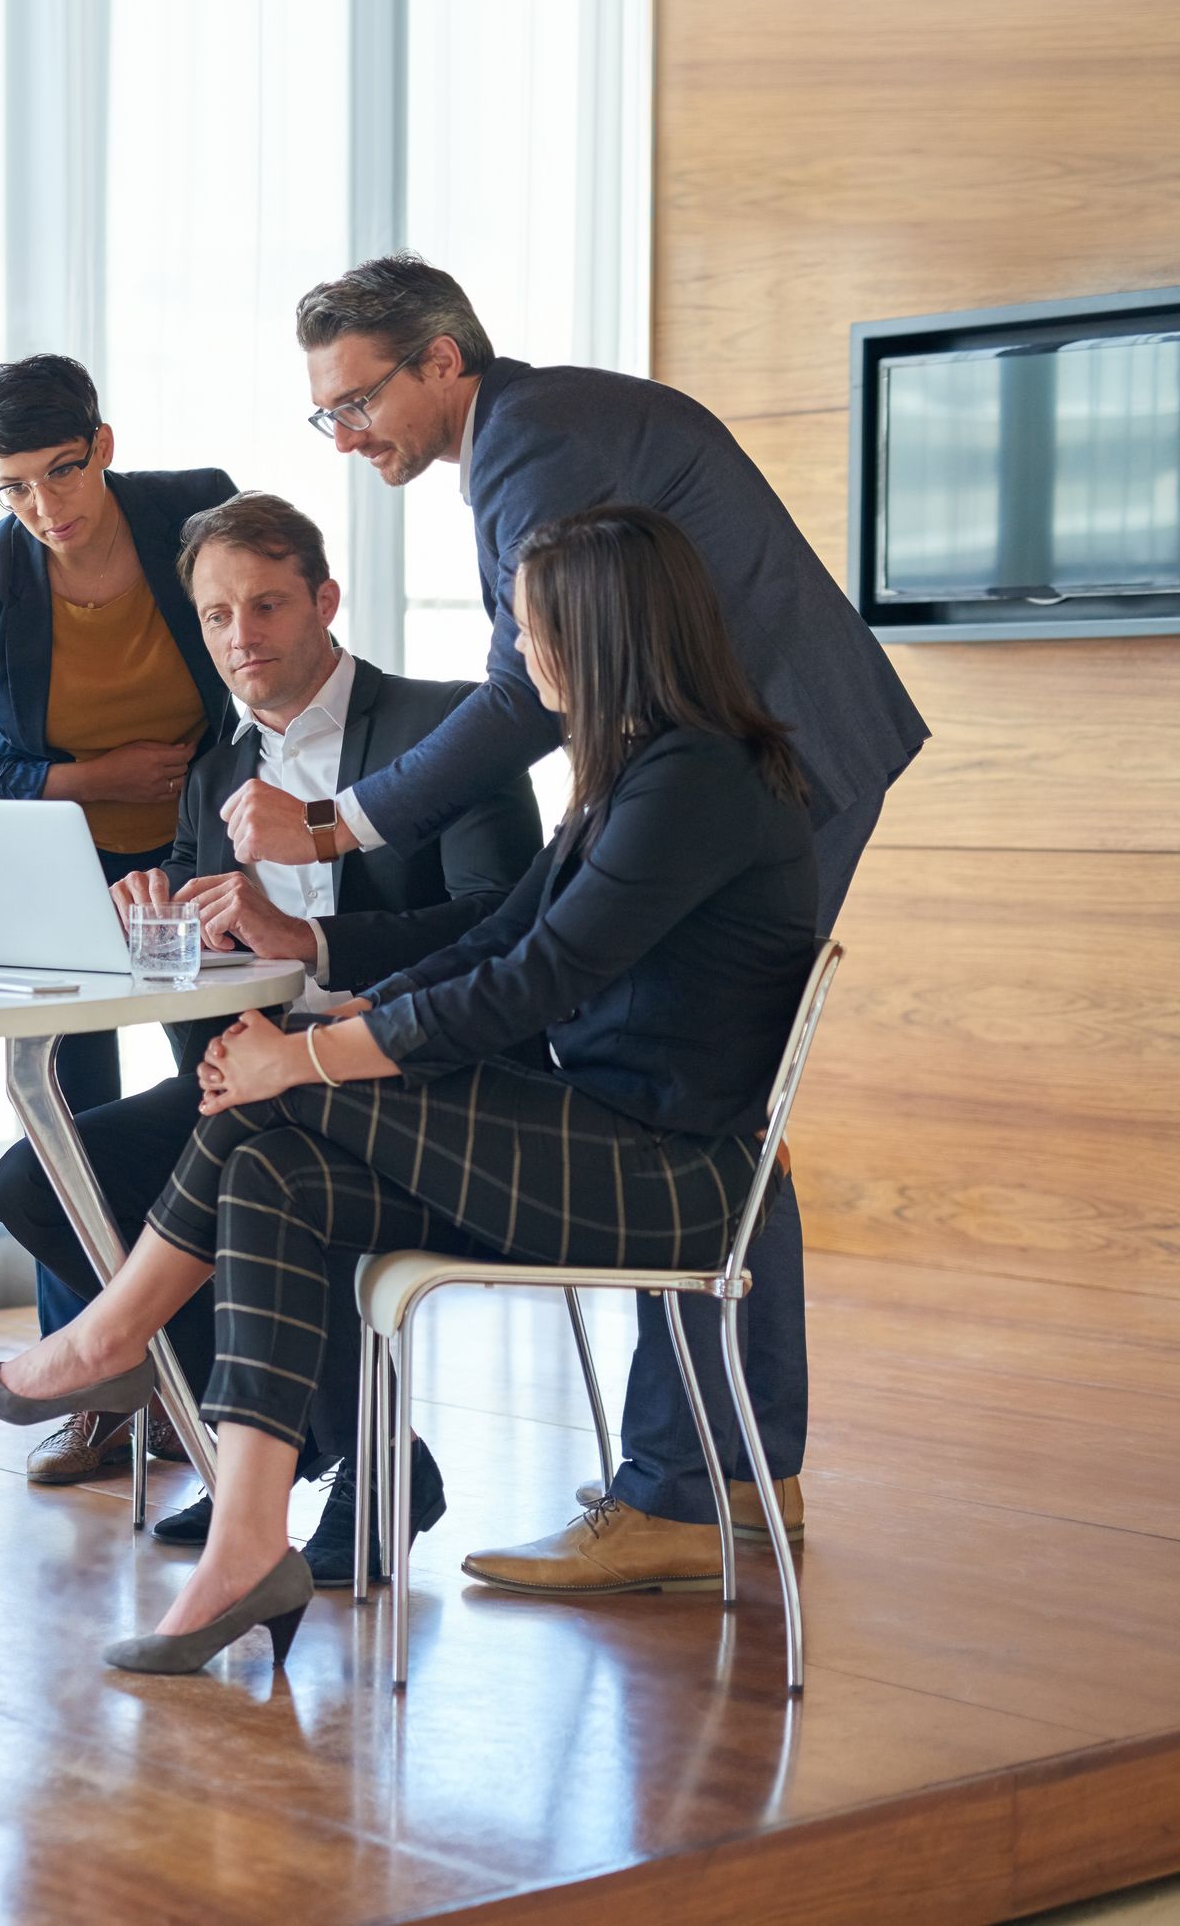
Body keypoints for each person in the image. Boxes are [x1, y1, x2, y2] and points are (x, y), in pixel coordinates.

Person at [0, 504, 820, 1673]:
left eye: (533, 632)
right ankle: (249, 1542)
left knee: (267, 1104)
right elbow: (501, 938)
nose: (523, 659)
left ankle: (108, 1336)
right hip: (603, 1143)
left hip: (665, 1173)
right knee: (269, 1164)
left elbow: (526, 985)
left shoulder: (696, 783)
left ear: (600, 632)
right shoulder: (638, 774)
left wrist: (299, 1055)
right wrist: (351, 1007)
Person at [217, 255, 929, 1595]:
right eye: (325, 414)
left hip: (779, 765)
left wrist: (335, 828)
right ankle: (723, 1468)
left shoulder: (533, 441)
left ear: (442, 364)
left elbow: (521, 699)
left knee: (716, 1111)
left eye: (356, 400)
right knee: (726, 1112)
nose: (345, 433)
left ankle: (690, 1483)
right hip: (761, 752)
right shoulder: (540, 430)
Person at [0, 491, 541, 1576]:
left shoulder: (448, 727)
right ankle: (303, 1447)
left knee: (254, 1172)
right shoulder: (216, 774)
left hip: (433, 1068)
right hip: (272, 1073)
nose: (243, 637)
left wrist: (313, 938)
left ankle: (321, 1457)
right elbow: (224, 973)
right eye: (218, 616)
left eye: (269, 605)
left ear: (325, 600)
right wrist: (156, 930)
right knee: (44, 1181)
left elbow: (501, 923)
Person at [0, 353, 235, 1375]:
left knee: (223, 1101)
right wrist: (94, 776)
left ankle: (227, 1366)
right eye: (12, 486)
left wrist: (195, 800)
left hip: (201, 861)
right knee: (68, 1127)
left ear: (102, 445)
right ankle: (92, 1382)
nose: (43, 506)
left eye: (60, 472)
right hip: (61, 875)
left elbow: (274, 670)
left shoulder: (199, 514)